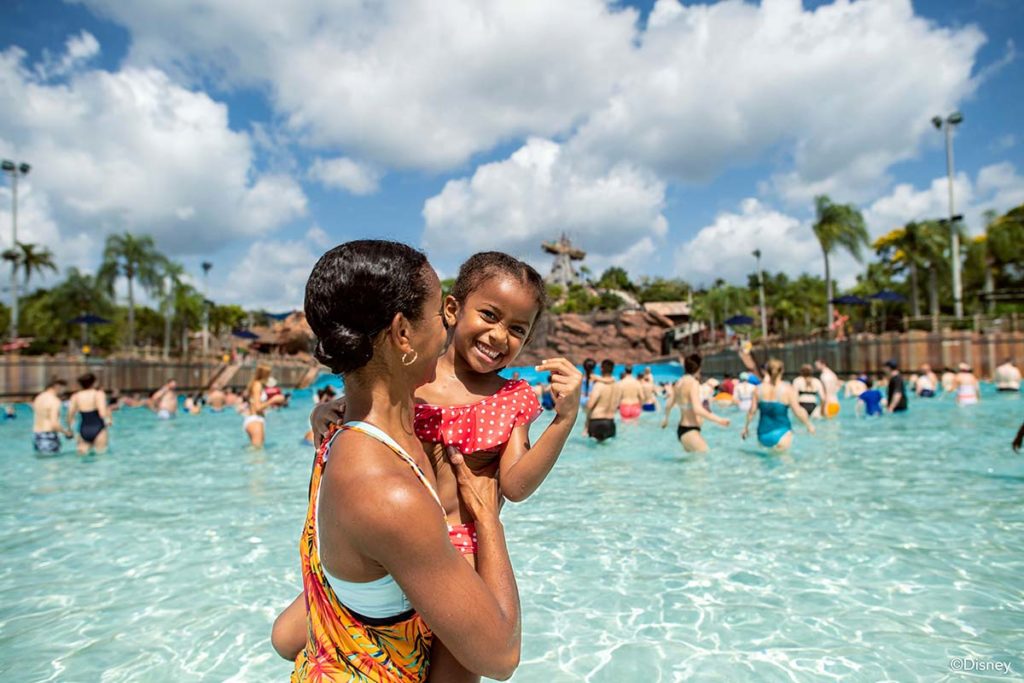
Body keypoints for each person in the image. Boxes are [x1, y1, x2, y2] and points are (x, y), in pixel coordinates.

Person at [272, 240, 522, 681]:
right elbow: (500, 656)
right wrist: (488, 519)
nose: (447, 328)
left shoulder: (336, 433)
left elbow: (286, 635)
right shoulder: (388, 493)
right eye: (437, 315)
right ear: (403, 332)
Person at [741, 358, 814, 451]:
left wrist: (745, 428)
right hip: (782, 433)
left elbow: (752, 412)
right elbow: (797, 411)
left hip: (763, 435)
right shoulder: (788, 390)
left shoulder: (758, 389)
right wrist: (809, 425)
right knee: (785, 462)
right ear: (782, 371)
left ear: (767, 371)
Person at [662, 353, 730, 452]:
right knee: (705, 456)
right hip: (690, 430)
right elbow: (697, 409)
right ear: (698, 368)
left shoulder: (678, 383)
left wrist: (666, 420)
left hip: (682, 429)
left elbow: (669, 405)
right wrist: (719, 420)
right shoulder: (693, 383)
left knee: (692, 465)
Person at [67, 373, 111, 454]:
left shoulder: (75, 396)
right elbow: (102, 413)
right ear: (94, 383)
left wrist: (69, 430)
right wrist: (109, 420)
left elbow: (70, 415)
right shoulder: (98, 394)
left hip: (83, 429)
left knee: (82, 458)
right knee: (101, 456)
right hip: (98, 427)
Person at [243, 364, 285, 448]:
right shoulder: (257, 385)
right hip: (255, 420)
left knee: (255, 451)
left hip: (253, 419)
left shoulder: (255, 384)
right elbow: (258, 407)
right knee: (258, 454)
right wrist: (274, 400)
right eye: (268, 374)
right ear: (264, 374)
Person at [32, 377, 72, 454]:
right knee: (52, 463)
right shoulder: (55, 401)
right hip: (48, 435)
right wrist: (66, 433)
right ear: (57, 387)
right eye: (63, 389)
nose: (63, 392)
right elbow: (54, 424)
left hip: (36, 434)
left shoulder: (38, 398)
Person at [586, 359, 622, 442]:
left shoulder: (599, 385)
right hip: (610, 422)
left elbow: (589, 405)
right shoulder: (617, 386)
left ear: (601, 369)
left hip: (597, 421)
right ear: (613, 369)